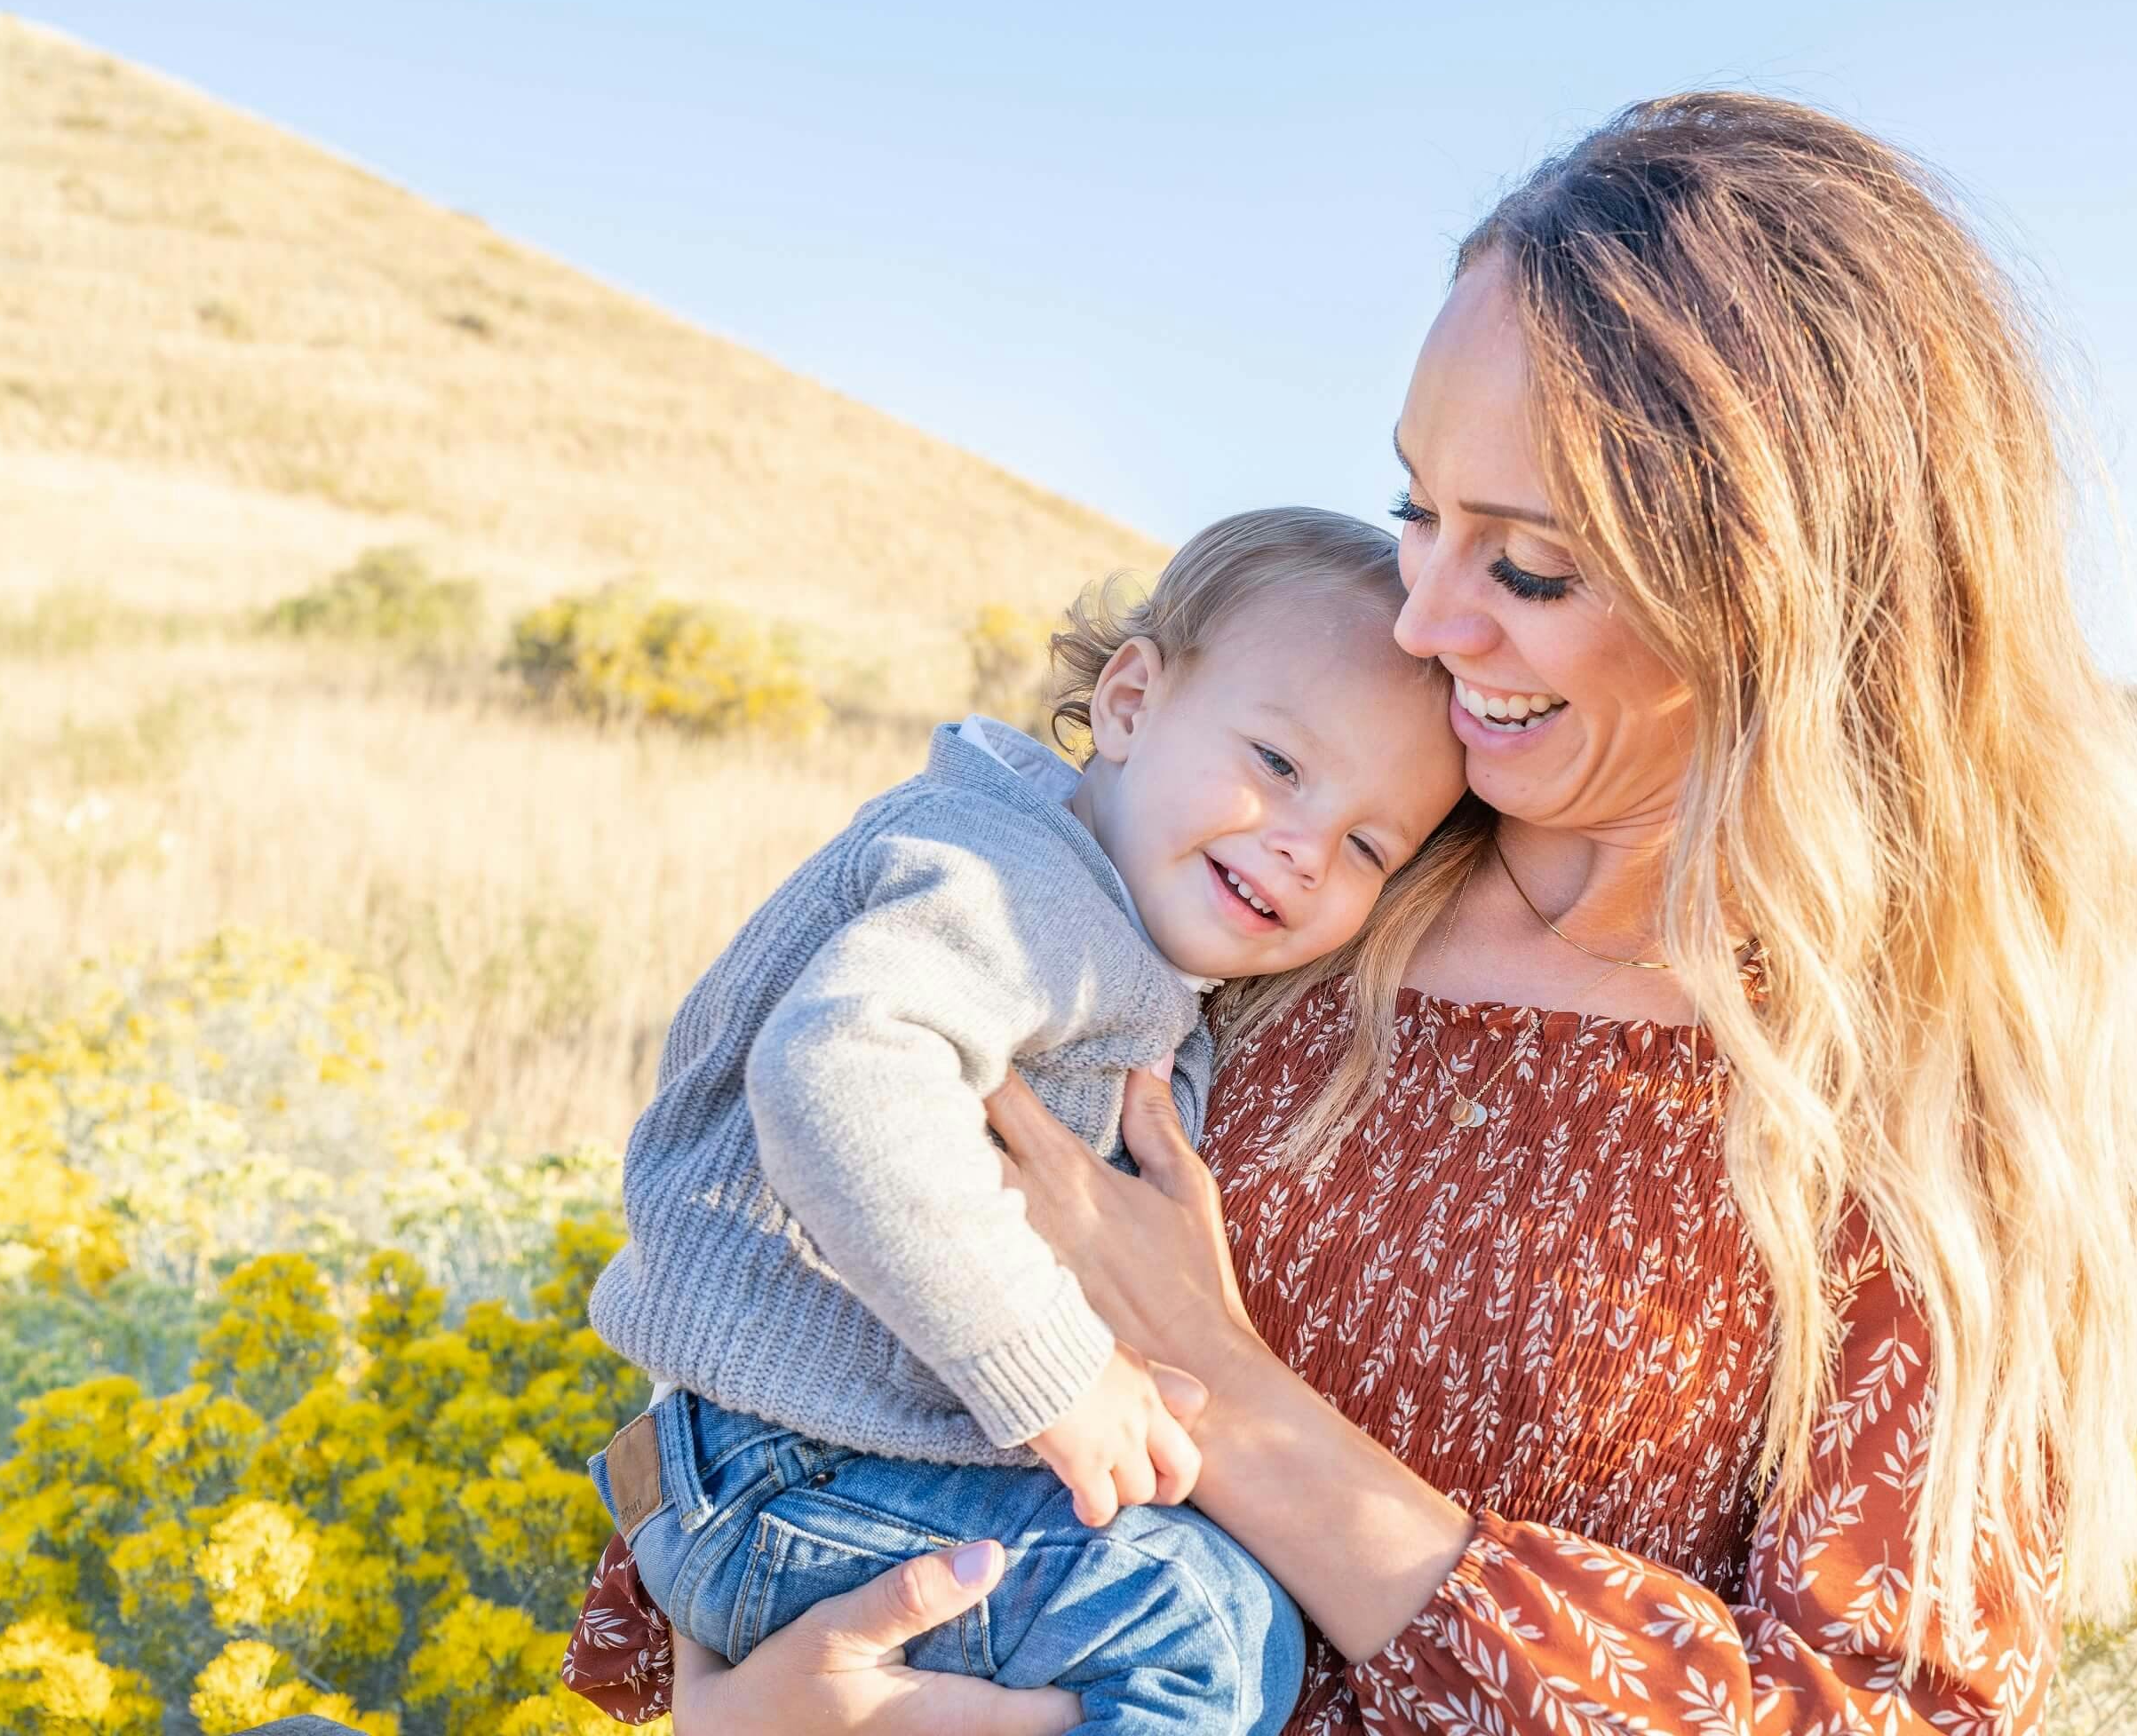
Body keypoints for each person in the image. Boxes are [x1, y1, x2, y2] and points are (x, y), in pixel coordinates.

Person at [565, 91, 2137, 1735]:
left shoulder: (1922, 1089)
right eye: (1416, 512)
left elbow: (1884, 1717)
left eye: (1529, 564)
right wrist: (741, 1693)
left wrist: (1233, 1407)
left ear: (1784, 597)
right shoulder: (1290, 882)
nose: (1428, 618)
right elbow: (795, 1281)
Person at [577, 504, 1472, 1735]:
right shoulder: (1023, 887)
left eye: (1370, 841)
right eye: (1277, 765)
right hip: (789, 1464)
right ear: (1131, 702)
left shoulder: (1101, 908)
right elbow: (840, 1071)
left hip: (810, 1466)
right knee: (1195, 1636)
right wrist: (1055, 1373)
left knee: (1223, 1622)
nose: (1308, 849)